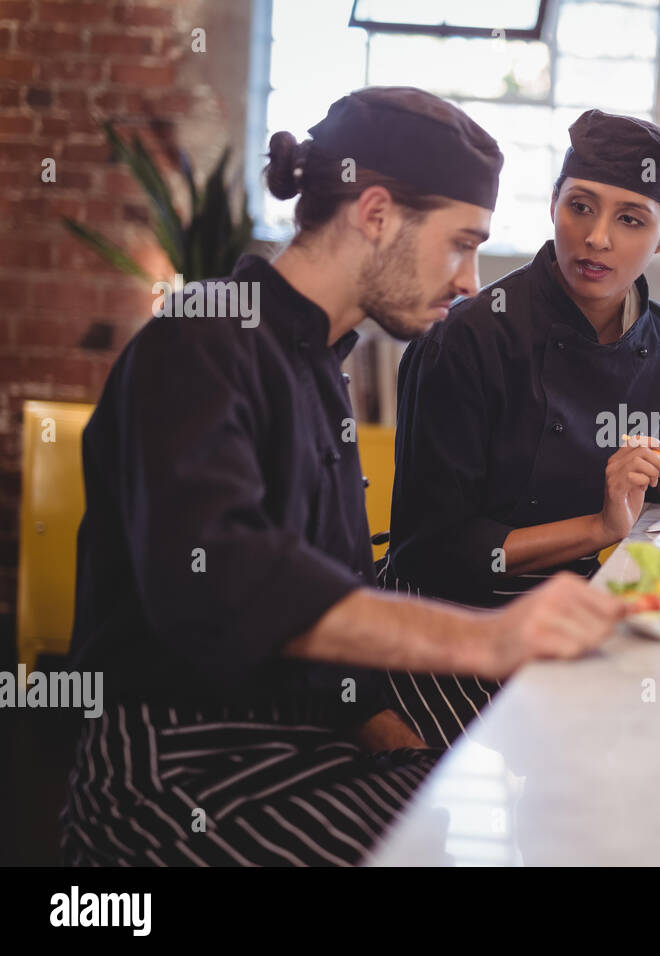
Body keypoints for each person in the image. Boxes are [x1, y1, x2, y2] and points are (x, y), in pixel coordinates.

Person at [59, 86, 625, 867]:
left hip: (299, 738)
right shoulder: (201, 337)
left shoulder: (322, 360)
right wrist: (488, 639)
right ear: (376, 214)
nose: (469, 282)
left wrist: (391, 734)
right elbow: (225, 584)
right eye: (461, 243)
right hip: (176, 768)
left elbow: (322, 608)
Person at [382, 109, 660, 748]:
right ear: (553, 204)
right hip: (448, 622)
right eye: (580, 207)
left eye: (631, 219)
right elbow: (435, 549)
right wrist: (601, 527)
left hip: (574, 605)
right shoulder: (467, 338)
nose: (597, 239)